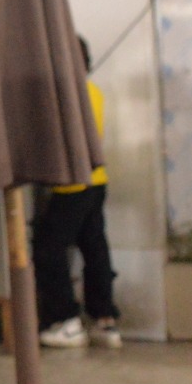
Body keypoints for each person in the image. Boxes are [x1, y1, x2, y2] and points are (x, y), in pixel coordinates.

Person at [35, 35, 121, 349]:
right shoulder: (92, 91)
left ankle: (66, 320)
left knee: (48, 249)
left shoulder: (66, 95)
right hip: (97, 181)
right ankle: (104, 319)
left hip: (72, 184)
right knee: (94, 248)